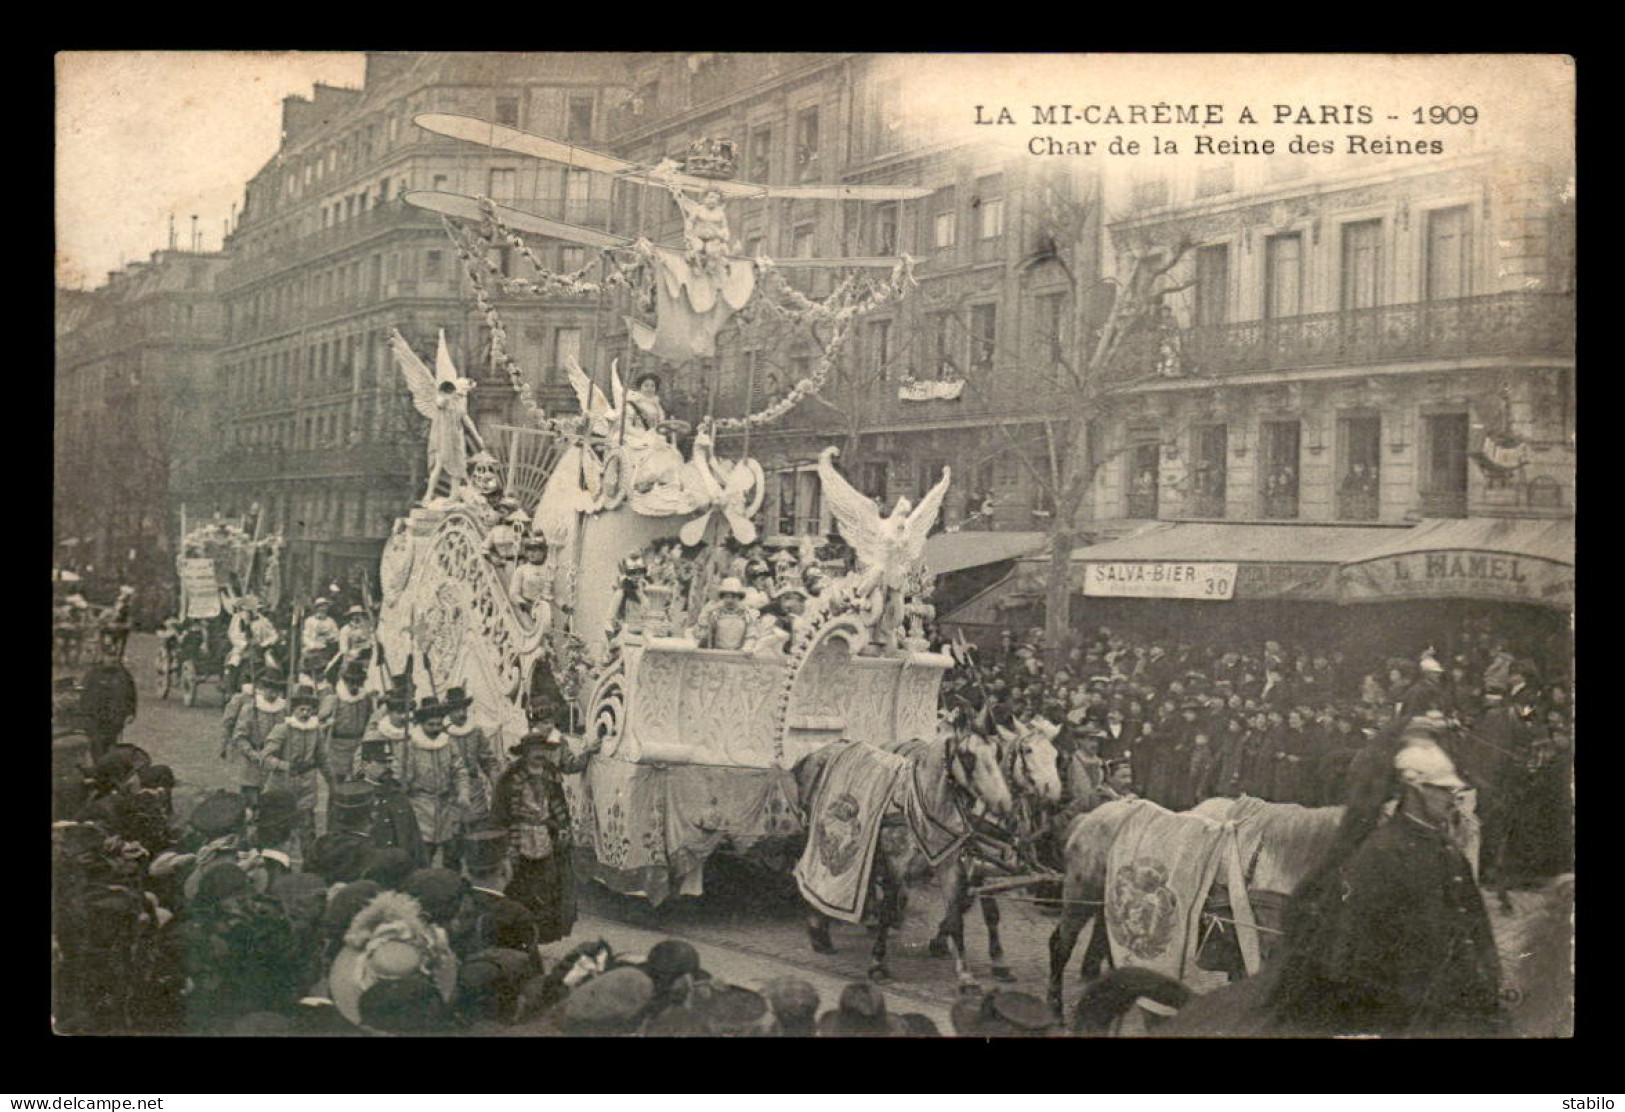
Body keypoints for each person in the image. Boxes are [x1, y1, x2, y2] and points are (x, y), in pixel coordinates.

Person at [1268, 728, 1503, 1036]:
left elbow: (1473, 925)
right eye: (1442, 790)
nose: (1452, 799)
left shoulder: (1448, 851)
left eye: (1454, 791)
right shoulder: (1380, 853)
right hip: (1402, 1012)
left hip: (1452, 1003)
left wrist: (1487, 981)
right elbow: (1356, 953)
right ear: (1414, 790)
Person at [491, 728, 598, 943]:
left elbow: (559, 803)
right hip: (519, 838)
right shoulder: (511, 777)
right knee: (519, 885)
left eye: (542, 749)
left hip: (545, 837)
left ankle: (541, 933)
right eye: (534, 750)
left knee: (547, 886)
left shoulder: (549, 772)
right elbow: (500, 811)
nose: (539, 754)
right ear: (525, 752)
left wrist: (562, 827)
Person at [398, 697, 472, 870]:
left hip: (446, 806)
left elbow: (460, 771)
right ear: (422, 725)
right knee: (423, 855)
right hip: (420, 807)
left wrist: (463, 792)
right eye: (431, 725)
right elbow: (402, 781)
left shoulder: (448, 743)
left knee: (453, 856)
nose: (435, 729)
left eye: (438, 724)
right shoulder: (410, 746)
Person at [262, 684, 328, 860]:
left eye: (309, 709)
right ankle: (275, 862)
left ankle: (310, 862)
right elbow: (265, 757)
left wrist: (332, 783)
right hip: (282, 784)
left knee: (307, 826)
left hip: (307, 784)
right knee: (279, 828)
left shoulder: (317, 730)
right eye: (301, 709)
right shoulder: (282, 729)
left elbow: (322, 758)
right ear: (294, 710)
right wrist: (285, 765)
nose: (305, 713)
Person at [444, 686, 498, 857]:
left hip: (475, 792)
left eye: (463, 709)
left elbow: (488, 761)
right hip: (452, 794)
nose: (461, 713)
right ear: (449, 711)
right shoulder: (443, 735)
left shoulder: (476, 732)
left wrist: (497, 782)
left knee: (479, 839)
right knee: (453, 844)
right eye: (456, 709)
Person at [231, 667, 288, 812]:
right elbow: (239, 737)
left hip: (275, 764)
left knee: (273, 807)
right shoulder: (250, 709)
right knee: (251, 806)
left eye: (277, 688)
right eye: (270, 687)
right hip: (253, 764)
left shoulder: (284, 710)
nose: (273, 692)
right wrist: (253, 754)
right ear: (263, 688)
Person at [78, 630, 139, 762]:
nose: (113, 659)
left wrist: (131, 713)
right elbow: (84, 696)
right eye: (109, 656)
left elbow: (131, 695)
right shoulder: (93, 674)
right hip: (96, 718)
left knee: (111, 744)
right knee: (97, 744)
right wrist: (84, 715)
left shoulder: (123, 675)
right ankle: (99, 767)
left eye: (115, 657)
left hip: (115, 718)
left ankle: (106, 769)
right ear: (103, 657)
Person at [322, 659, 374, 792]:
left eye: (358, 683)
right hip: (338, 745)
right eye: (351, 683)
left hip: (359, 744)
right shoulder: (334, 699)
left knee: (359, 781)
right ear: (345, 682)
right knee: (336, 784)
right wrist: (327, 724)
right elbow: (319, 721)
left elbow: (370, 717)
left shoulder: (365, 699)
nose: (354, 686)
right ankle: (333, 810)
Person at [692, 577, 758, 651]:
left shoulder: (746, 615)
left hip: (739, 656)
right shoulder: (716, 613)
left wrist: (746, 648)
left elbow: (751, 635)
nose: (729, 600)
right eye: (727, 597)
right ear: (723, 597)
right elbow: (706, 636)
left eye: (733, 597)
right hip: (718, 655)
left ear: (739, 597)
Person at [509, 537, 552, 628]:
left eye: (536, 551)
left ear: (543, 553)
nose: (532, 554)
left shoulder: (548, 571)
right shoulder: (521, 570)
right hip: (526, 611)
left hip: (543, 611)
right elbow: (513, 594)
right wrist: (525, 604)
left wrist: (564, 606)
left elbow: (553, 593)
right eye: (529, 550)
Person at [300, 598, 341, 679]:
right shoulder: (310, 621)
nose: (323, 608)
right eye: (321, 606)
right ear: (316, 608)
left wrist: (329, 638)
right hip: (310, 650)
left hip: (325, 650)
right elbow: (306, 636)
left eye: (325, 606)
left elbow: (336, 636)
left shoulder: (330, 621)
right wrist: (312, 646)